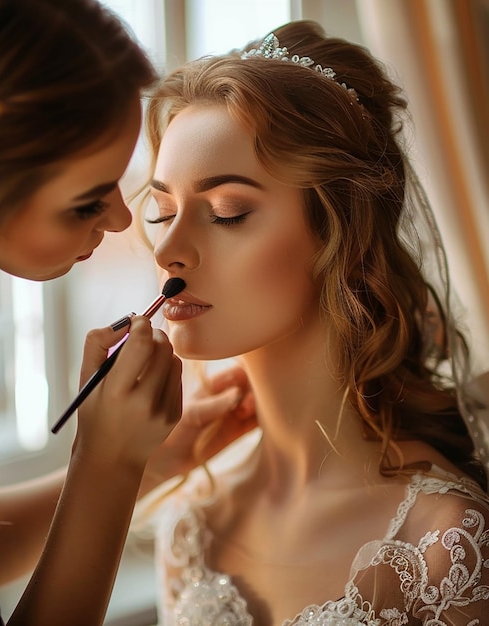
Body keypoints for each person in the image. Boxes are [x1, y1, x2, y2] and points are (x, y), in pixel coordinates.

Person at [0, 1, 256, 624]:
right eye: (84, 203)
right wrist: (108, 462)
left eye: (231, 212)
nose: (126, 222)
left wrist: (143, 467)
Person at [141, 19, 489, 626]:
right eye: (162, 209)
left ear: (339, 232)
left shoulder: (446, 546)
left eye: (226, 212)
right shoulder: (190, 519)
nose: (168, 249)